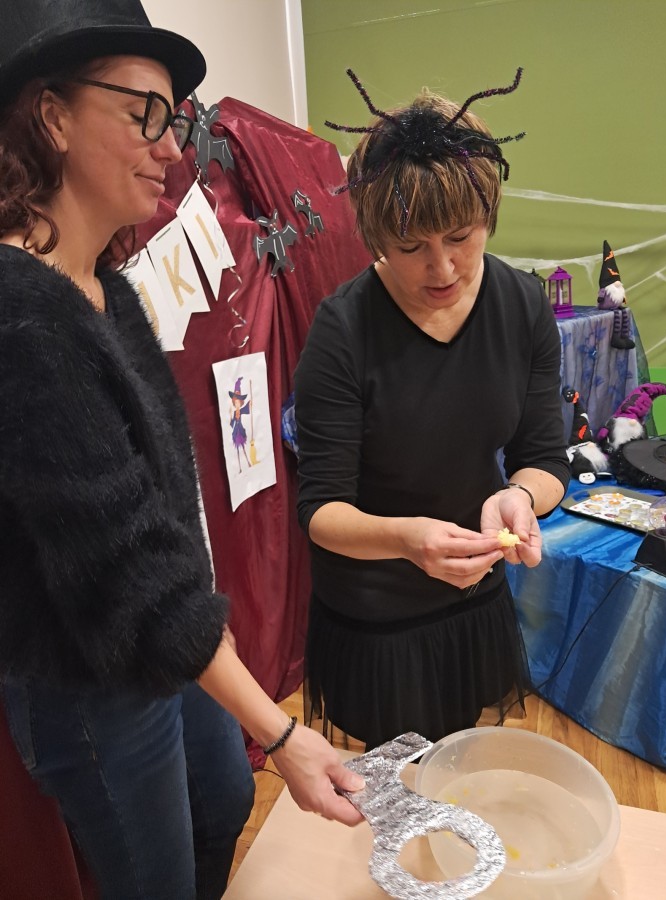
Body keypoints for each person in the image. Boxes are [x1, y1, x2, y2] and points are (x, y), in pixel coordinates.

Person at [0, 3, 363, 899]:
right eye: (145, 114)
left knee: (224, 794)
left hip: (161, 637)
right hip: (88, 681)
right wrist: (284, 734)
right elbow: (121, 562)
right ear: (51, 116)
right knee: (152, 875)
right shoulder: (20, 319)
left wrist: (208, 625)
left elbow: (162, 501)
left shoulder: (107, 290)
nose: (171, 147)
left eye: (175, 119)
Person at [294, 70, 571, 750]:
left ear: (487, 215)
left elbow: (544, 458)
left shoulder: (522, 304)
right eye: (411, 247)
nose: (442, 268)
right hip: (376, 613)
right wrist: (406, 541)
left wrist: (517, 498)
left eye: (461, 237)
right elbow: (322, 511)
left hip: (474, 594)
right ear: (375, 238)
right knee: (393, 783)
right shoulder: (343, 329)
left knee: (459, 766)